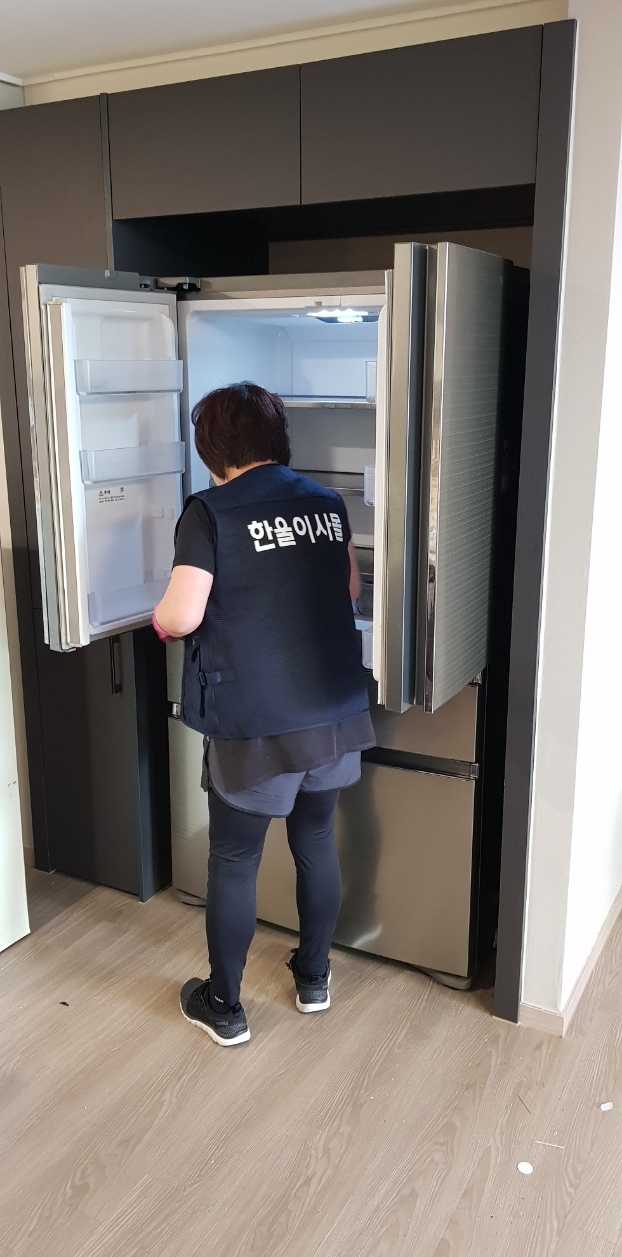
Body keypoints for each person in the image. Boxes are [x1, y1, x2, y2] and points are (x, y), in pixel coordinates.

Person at [153, 381, 375, 1047]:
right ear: (277, 438)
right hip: (331, 710)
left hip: (256, 718)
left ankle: (224, 1006)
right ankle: (314, 979)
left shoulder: (210, 512)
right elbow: (349, 587)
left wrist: (163, 619)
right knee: (316, 839)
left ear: (211, 448)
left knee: (234, 858)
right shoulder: (326, 503)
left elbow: (180, 615)